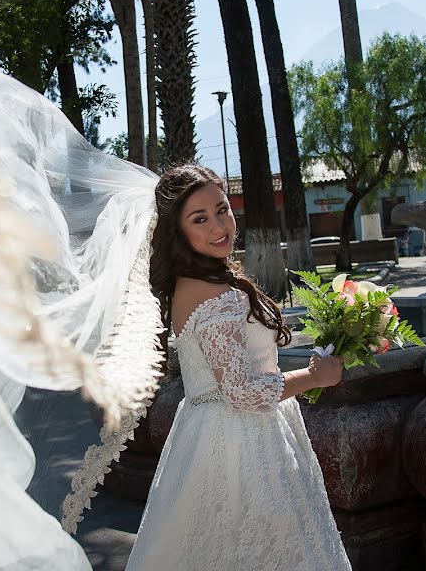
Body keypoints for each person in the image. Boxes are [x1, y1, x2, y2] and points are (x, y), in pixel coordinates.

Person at [125, 164, 352, 570]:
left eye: (222, 209)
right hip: (240, 440)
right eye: (200, 218)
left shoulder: (194, 282)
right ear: (179, 232)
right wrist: (315, 377)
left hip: (209, 431)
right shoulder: (211, 294)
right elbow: (242, 390)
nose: (219, 225)